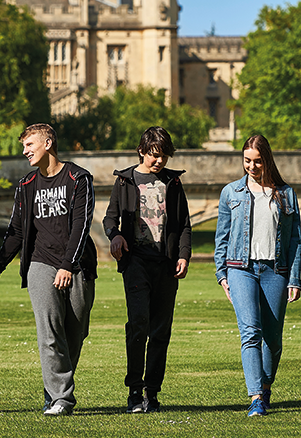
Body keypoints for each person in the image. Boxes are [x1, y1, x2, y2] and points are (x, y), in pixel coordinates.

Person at [0, 123, 97, 416]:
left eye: (29, 145)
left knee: (75, 333)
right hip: (40, 262)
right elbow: (16, 232)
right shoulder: (26, 185)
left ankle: (54, 387)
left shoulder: (78, 178)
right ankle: (61, 399)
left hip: (78, 264)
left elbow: (82, 226)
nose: (25, 152)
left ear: (47, 143)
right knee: (49, 330)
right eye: (24, 146)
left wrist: (68, 265)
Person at [103, 126, 192, 414]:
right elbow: (109, 219)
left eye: (164, 156)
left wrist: (183, 255)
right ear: (142, 151)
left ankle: (152, 392)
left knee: (161, 330)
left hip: (165, 265)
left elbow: (184, 225)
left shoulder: (173, 183)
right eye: (155, 155)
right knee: (138, 323)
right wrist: (115, 235)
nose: (160, 161)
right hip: (136, 263)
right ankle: (134, 390)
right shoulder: (125, 181)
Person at [214, 135, 301, 417]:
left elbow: (295, 240)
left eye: (257, 161)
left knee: (273, 340)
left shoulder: (286, 194)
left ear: (268, 160)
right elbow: (222, 237)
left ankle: (265, 386)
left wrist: (294, 278)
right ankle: (255, 397)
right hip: (240, 268)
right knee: (250, 332)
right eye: (247, 161)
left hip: (275, 271)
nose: (251, 166)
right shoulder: (231, 193)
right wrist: (222, 274)